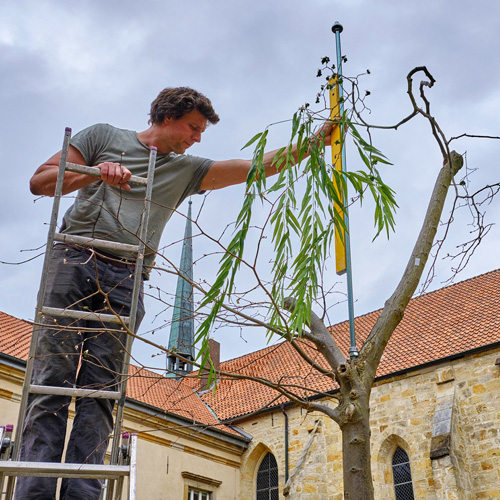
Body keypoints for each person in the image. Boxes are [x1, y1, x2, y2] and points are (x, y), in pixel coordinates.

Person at [18, 87, 334, 500]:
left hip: (126, 274)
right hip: (73, 259)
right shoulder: (102, 137)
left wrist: (313, 143)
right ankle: (34, 491)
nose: (197, 138)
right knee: (52, 378)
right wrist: (99, 172)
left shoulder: (184, 170)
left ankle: (82, 492)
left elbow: (254, 166)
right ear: (168, 116)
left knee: (101, 389)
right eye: (194, 128)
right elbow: (41, 182)